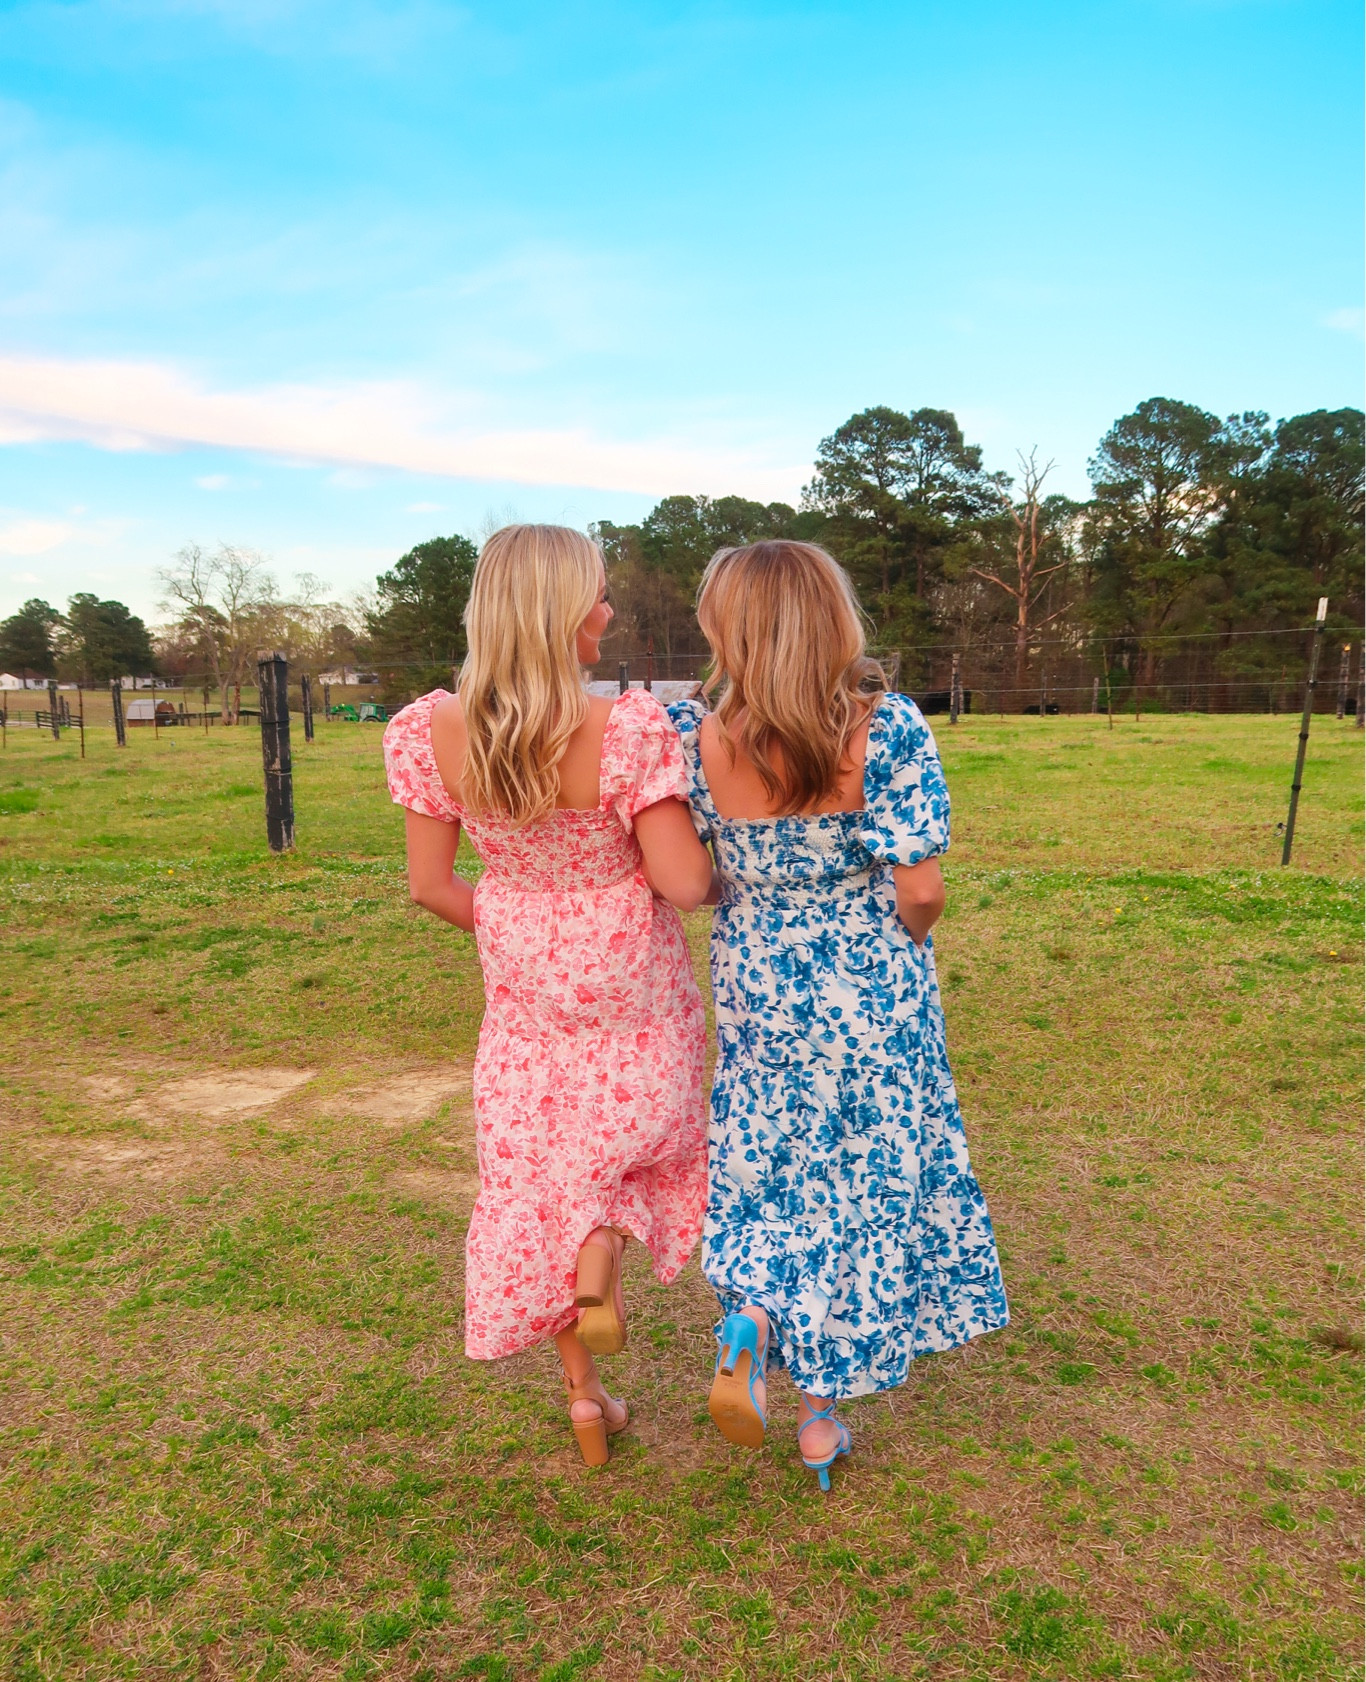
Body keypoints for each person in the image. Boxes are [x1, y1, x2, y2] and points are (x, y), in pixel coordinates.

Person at [668, 540, 1008, 1491]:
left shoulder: (695, 736)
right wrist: (898, 942)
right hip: (871, 987)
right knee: (859, 1176)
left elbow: (690, 877)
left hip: (758, 981)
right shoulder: (884, 727)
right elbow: (923, 890)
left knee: (770, 1164)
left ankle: (756, 1316)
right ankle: (819, 1420)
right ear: (832, 618)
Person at [383, 524, 714, 1466]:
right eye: (599, 594)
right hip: (630, 972)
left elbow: (429, 885)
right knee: (638, 1137)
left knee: (536, 1172)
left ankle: (583, 1396)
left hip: (524, 977)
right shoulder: (629, 728)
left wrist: (516, 925)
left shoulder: (428, 732)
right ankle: (601, 1248)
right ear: (565, 610)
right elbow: (683, 882)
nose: (608, 610)